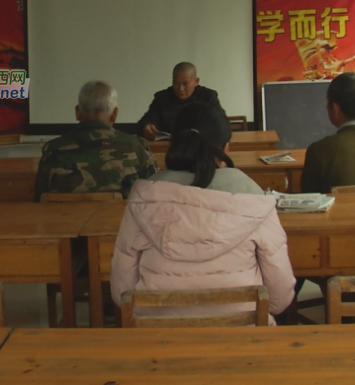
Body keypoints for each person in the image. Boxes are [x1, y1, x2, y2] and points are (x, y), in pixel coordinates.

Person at [111, 103, 296, 324]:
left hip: (157, 339)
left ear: (172, 143)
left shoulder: (143, 198)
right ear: (226, 147)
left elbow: (122, 294)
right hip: (244, 342)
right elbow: (279, 299)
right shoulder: (254, 199)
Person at [34, 80, 158, 202]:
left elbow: (39, 199)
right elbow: (154, 196)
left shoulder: (53, 150)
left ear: (78, 112)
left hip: (64, 220)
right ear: (115, 114)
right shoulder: (136, 147)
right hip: (120, 221)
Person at [146, 102, 263, 195]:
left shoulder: (147, 189)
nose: (181, 88)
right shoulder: (247, 189)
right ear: (225, 148)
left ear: (172, 143)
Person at [137, 62, 224, 140]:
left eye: (185, 83)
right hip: (169, 148)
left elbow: (222, 123)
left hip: (200, 147)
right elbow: (146, 120)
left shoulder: (208, 97)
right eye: (176, 83)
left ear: (196, 81)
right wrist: (146, 126)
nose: (180, 88)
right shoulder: (162, 98)